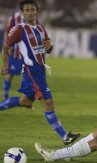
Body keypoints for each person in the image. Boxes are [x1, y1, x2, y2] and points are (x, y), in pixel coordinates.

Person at [0, 0, 80, 145]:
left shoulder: (41, 29)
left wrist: (51, 45)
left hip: (40, 70)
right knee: (48, 103)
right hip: (32, 71)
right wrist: (5, 65)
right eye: (27, 10)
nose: (30, 12)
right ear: (23, 12)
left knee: (25, 101)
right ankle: (64, 137)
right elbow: (5, 47)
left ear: (36, 11)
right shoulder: (19, 29)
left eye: (32, 10)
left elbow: (48, 48)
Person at [2, 11, 25, 100]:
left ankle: (25, 99)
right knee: (10, 74)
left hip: (27, 54)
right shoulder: (14, 17)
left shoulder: (33, 17)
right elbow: (7, 32)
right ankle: (5, 95)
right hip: (15, 52)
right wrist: (8, 45)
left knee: (26, 76)